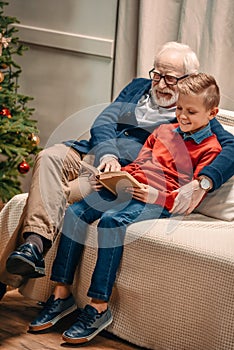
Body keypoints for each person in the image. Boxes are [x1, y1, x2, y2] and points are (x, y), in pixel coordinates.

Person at [3, 42, 234, 284]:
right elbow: (105, 121)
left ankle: (33, 246)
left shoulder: (193, 112)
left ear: (189, 78)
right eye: (157, 74)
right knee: (50, 155)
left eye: (170, 78)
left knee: (49, 197)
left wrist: (203, 182)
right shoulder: (138, 88)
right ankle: (31, 249)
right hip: (97, 155)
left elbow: (230, 146)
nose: (161, 84)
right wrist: (109, 155)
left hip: (120, 177)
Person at [27, 73, 224, 344]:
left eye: (191, 111)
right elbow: (141, 163)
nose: (183, 116)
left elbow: (188, 199)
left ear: (212, 113)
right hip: (128, 187)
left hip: (157, 200)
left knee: (111, 222)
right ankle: (61, 294)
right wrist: (115, 177)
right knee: (75, 213)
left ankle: (98, 307)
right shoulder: (164, 130)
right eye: (179, 108)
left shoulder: (211, 148)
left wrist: (156, 195)